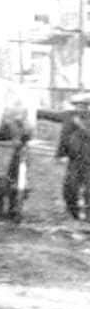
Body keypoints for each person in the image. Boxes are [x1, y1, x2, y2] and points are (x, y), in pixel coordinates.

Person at [60, 94, 90, 222]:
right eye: (77, 105)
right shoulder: (69, 117)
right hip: (74, 160)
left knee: (88, 189)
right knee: (69, 188)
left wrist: (80, 126)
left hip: (88, 160)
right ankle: (74, 213)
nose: (80, 108)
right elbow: (50, 115)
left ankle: (88, 216)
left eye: (83, 105)